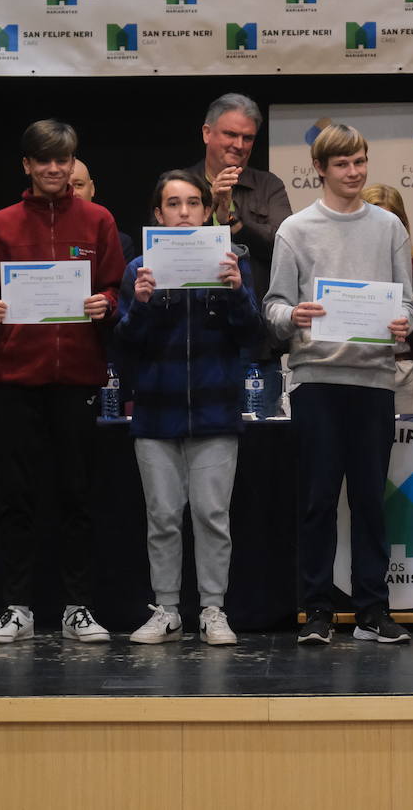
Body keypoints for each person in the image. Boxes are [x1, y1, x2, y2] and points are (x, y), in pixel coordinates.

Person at [0, 119, 125, 645]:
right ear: (27, 166)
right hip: (15, 381)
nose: (54, 169)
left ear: (73, 164)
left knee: (77, 496)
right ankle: (18, 608)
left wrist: (108, 305)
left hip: (77, 381)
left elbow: (116, 292)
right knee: (17, 499)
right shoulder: (0, 225)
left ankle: (79, 608)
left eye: (63, 160)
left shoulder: (98, 220)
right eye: (44, 161)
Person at [264, 123, 413, 645]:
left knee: (372, 500)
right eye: (343, 164)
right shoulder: (296, 230)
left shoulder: (389, 227)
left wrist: (405, 324)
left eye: (360, 161)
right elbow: (273, 308)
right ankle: (318, 611)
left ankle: (374, 610)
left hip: (374, 380)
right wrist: (294, 315)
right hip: (316, 379)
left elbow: (410, 307)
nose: (354, 172)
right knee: (318, 499)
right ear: (321, 170)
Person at [116, 171, 263, 646]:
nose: (184, 212)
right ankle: (166, 609)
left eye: (193, 204)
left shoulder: (230, 263)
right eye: (174, 205)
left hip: (216, 409)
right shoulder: (139, 268)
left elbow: (254, 337)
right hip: (156, 412)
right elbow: (122, 346)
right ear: (157, 215)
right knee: (161, 516)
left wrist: (236, 292)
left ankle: (213, 609)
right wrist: (139, 303)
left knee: (212, 514)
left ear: (207, 212)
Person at [184, 94, 293, 416]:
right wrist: (208, 210)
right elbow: (163, 250)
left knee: (262, 451)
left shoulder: (268, 186)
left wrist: (229, 220)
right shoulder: (180, 185)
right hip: (193, 343)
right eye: (230, 134)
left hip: (255, 346)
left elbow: (283, 244)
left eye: (247, 137)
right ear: (207, 133)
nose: (239, 144)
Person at [361, 183, 413, 414]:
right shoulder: (348, 270)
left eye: (391, 222)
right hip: (358, 370)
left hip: (403, 370)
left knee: (406, 444)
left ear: (403, 225)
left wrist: (407, 318)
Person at [70, 158, 137, 263]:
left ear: (92, 189)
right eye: (65, 187)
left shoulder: (119, 243)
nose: (72, 193)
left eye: (79, 185)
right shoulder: (45, 241)